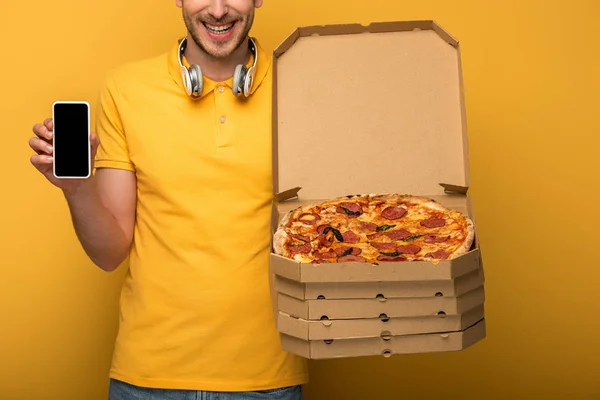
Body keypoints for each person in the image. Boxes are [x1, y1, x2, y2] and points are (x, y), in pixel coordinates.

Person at [28, 0, 309, 399]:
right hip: (146, 380)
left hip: (269, 379)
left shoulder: (303, 84)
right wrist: (78, 189)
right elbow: (109, 253)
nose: (217, 10)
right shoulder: (126, 88)